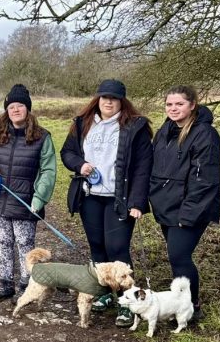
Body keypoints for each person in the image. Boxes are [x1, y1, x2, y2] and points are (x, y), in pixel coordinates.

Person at [60, 79, 153, 327]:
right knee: (97, 247)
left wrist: (137, 201)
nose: (108, 102)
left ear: (122, 101)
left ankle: (127, 301)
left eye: (114, 98)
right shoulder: (82, 123)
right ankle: (104, 293)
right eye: (104, 97)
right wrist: (80, 165)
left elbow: (143, 167)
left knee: (117, 248)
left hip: (119, 198)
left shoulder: (135, 127)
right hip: (90, 196)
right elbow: (67, 152)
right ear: (98, 99)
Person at [149, 85, 220, 322]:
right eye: (169, 104)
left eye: (179, 104)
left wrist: (188, 214)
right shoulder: (165, 131)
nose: (173, 108)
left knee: (179, 256)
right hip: (166, 205)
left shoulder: (205, 134)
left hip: (190, 209)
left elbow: (204, 180)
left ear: (192, 105)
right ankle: (179, 302)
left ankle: (192, 306)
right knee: (175, 256)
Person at [0, 84, 56, 302]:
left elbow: (48, 170)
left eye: (20, 105)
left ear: (27, 108)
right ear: (7, 109)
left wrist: (39, 198)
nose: (15, 110)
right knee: (2, 242)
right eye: (11, 106)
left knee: (25, 244)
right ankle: (6, 284)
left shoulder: (42, 137)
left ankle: (26, 285)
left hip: (25, 202)